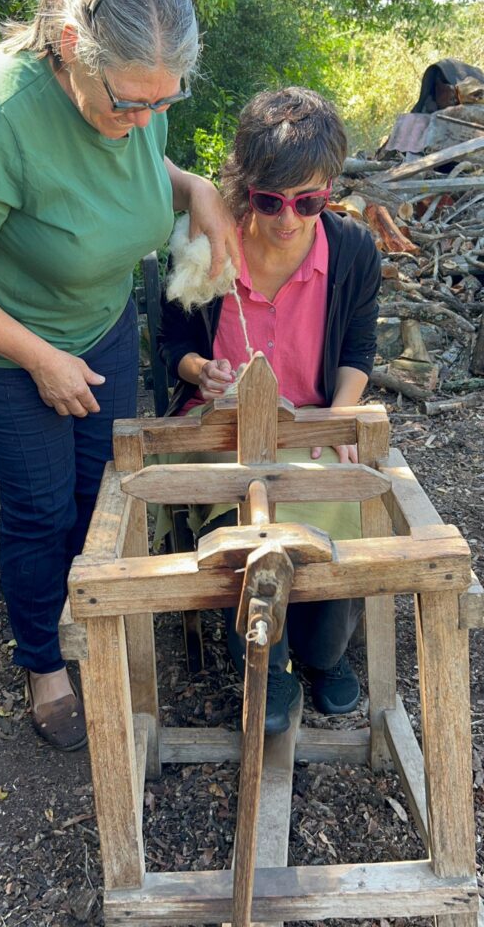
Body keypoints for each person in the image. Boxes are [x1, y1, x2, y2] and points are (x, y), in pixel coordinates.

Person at [0, 0, 237, 751]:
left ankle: (93, 616)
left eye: (164, 102)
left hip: (102, 322)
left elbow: (139, 166)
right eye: (129, 102)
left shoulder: (138, 94)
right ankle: (43, 661)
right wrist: (38, 358)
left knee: (105, 492)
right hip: (6, 347)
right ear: (68, 45)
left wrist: (195, 189)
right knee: (42, 508)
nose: (144, 120)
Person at [158, 87, 381, 733]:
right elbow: (176, 345)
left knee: (339, 512)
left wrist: (341, 417)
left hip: (309, 423)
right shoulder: (207, 246)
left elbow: (358, 351)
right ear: (245, 185)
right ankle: (266, 656)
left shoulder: (354, 253)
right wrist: (200, 370)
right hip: (220, 427)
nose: (287, 219)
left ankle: (322, 653)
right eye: (269, 201)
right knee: (241, 525)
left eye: (308, 202)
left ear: (330, 190)